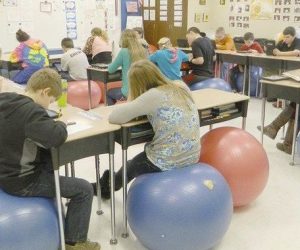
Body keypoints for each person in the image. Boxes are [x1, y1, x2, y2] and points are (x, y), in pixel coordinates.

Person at [0, 68, 100, 250]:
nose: (49, 106)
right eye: (51, 101)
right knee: (84, 189)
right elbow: (56, 137)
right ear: (44, 91)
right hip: (22, 181)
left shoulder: (7, 100)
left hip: (5, 170)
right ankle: (75, 242)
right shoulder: (31, 112)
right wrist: (60, 123)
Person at [95, 59, 200, 199]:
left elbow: (115, 117)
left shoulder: (152, 96)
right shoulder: (180, 85)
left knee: (130, 167)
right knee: (133, 163)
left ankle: (107, 188)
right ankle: (109, 179)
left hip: (166, 160)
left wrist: (133, 99)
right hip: (193, 155)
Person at [107, 29, 147, 105]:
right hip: (143, 91)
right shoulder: (143, 50)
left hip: (128, 93)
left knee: (109, 93)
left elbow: (111, 70)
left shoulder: (123, 51)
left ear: (123, 39)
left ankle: (113, 114)